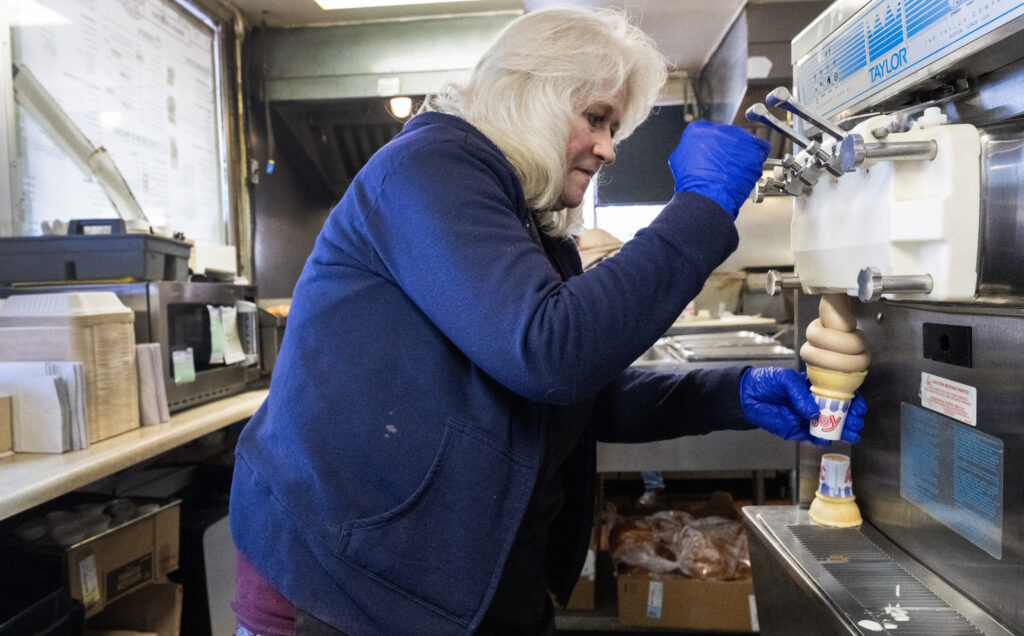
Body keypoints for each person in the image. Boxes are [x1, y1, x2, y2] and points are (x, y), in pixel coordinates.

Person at [229, 7, 867, 636]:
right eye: (596, 119)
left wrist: (731, 392)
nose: (609, 149)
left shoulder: (526, 222)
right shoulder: (430, 166)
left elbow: (573, 399)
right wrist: (698, 210)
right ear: (528, 94)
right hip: (348, 578)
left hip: (458, 573)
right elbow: (550, 352)